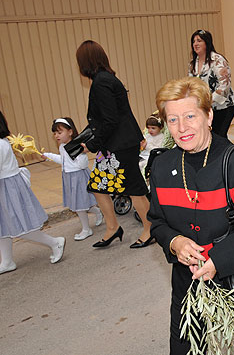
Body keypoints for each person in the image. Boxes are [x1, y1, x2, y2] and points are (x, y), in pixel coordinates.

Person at [148, 77, 234, 355]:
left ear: (209, 115)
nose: (182, 127)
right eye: (173, 119)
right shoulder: (162, 167)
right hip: (189, 288)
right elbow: (157, 222)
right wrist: (175, 242)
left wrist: (218, 261)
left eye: (190, 116)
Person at [76, 40, 153, 249]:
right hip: (115, 144)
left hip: (119, 145)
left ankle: (149, 229)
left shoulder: (101, 82)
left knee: (134, 188)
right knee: (97, 185)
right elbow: (118, 114)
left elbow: (111, 120)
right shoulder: (106, 79)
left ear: (85, 62)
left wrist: (91, 145)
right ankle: (113, 227)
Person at [0, 110, 65, 274]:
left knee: (20, 226)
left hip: (8, 189)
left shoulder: (0, 144)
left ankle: (54, 242)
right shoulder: (3, 142)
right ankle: (7, 261)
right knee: (3, 226)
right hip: (6, 187)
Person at [42, 117, 103, 241]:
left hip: (78, 177)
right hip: (69, 177)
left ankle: (86, 229)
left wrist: (79, 154)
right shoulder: (62, 146)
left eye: (60, 132)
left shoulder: (76, 145)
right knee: (80, 203)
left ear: (70, 132)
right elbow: (63, 161)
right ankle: (98, 212)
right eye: (54, 133)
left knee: (79, 206)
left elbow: (83, 163)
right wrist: (49, 156)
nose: (56, 136)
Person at [188, 29, 234, 138]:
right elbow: (191, 85)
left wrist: (207, 101)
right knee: (210, 138)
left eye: (199, 41)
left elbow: (225, 87)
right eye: (194, 41)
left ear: (207, 42)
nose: (195, 44)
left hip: (223, 107)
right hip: (205, 108)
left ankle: (231, 154)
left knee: (219, 137)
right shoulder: (193, 64)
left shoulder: (217, 60)